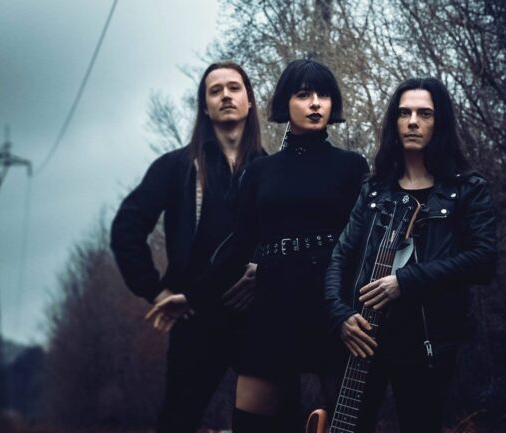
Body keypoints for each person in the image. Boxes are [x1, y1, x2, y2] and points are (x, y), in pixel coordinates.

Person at [151, 59, 370, 433]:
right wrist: (192, 297)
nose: (315, 103)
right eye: (303, 95)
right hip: (273, 310)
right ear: (286, 104)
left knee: (347, 424)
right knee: (252, 422)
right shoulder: (262, 171)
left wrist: (357, 306)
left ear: (334, 104)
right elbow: (238, 249)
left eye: (323, 95)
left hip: (333, 308)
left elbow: (366, 244)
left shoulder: (351, 167)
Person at [323, 77, 498, 433]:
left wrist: (406, 281)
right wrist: (340, 315)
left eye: (424, 113)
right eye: (404, 113)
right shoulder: (374, 190)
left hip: (427, 344)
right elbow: (339, 258)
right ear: (394, 122)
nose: (413, 121)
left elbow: (483, 260)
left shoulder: (467, 190)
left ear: (440, 122)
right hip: (363, 340)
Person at [110, 61, 265, 433]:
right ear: (205, 107)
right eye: (215, 90)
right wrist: (156, 289)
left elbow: (290, 240)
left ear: (250, 102)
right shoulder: (176, 167)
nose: (226, 95)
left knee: (266, 422)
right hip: (194, 317)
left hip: (255, 318)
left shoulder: (270, 170)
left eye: (234, 87)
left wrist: (264, 271)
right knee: (178, 421)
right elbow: (126, 229)